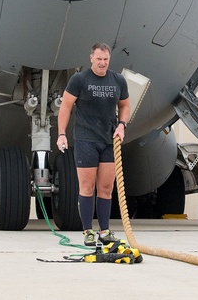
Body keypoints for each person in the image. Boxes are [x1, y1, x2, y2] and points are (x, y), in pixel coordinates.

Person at [57, 43, 131, 247]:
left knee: (106, 188)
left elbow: (124, 105)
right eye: (99, 59)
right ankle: (88, 230)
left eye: (106, 59)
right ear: (91, 58)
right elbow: (65, 106)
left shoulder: (118, 80)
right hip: (86, 140)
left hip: (109, 141)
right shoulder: (79, 79)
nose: (102, 63)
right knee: (87, 187)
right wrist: (61, 134)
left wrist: (122, 125)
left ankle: (105, 231)